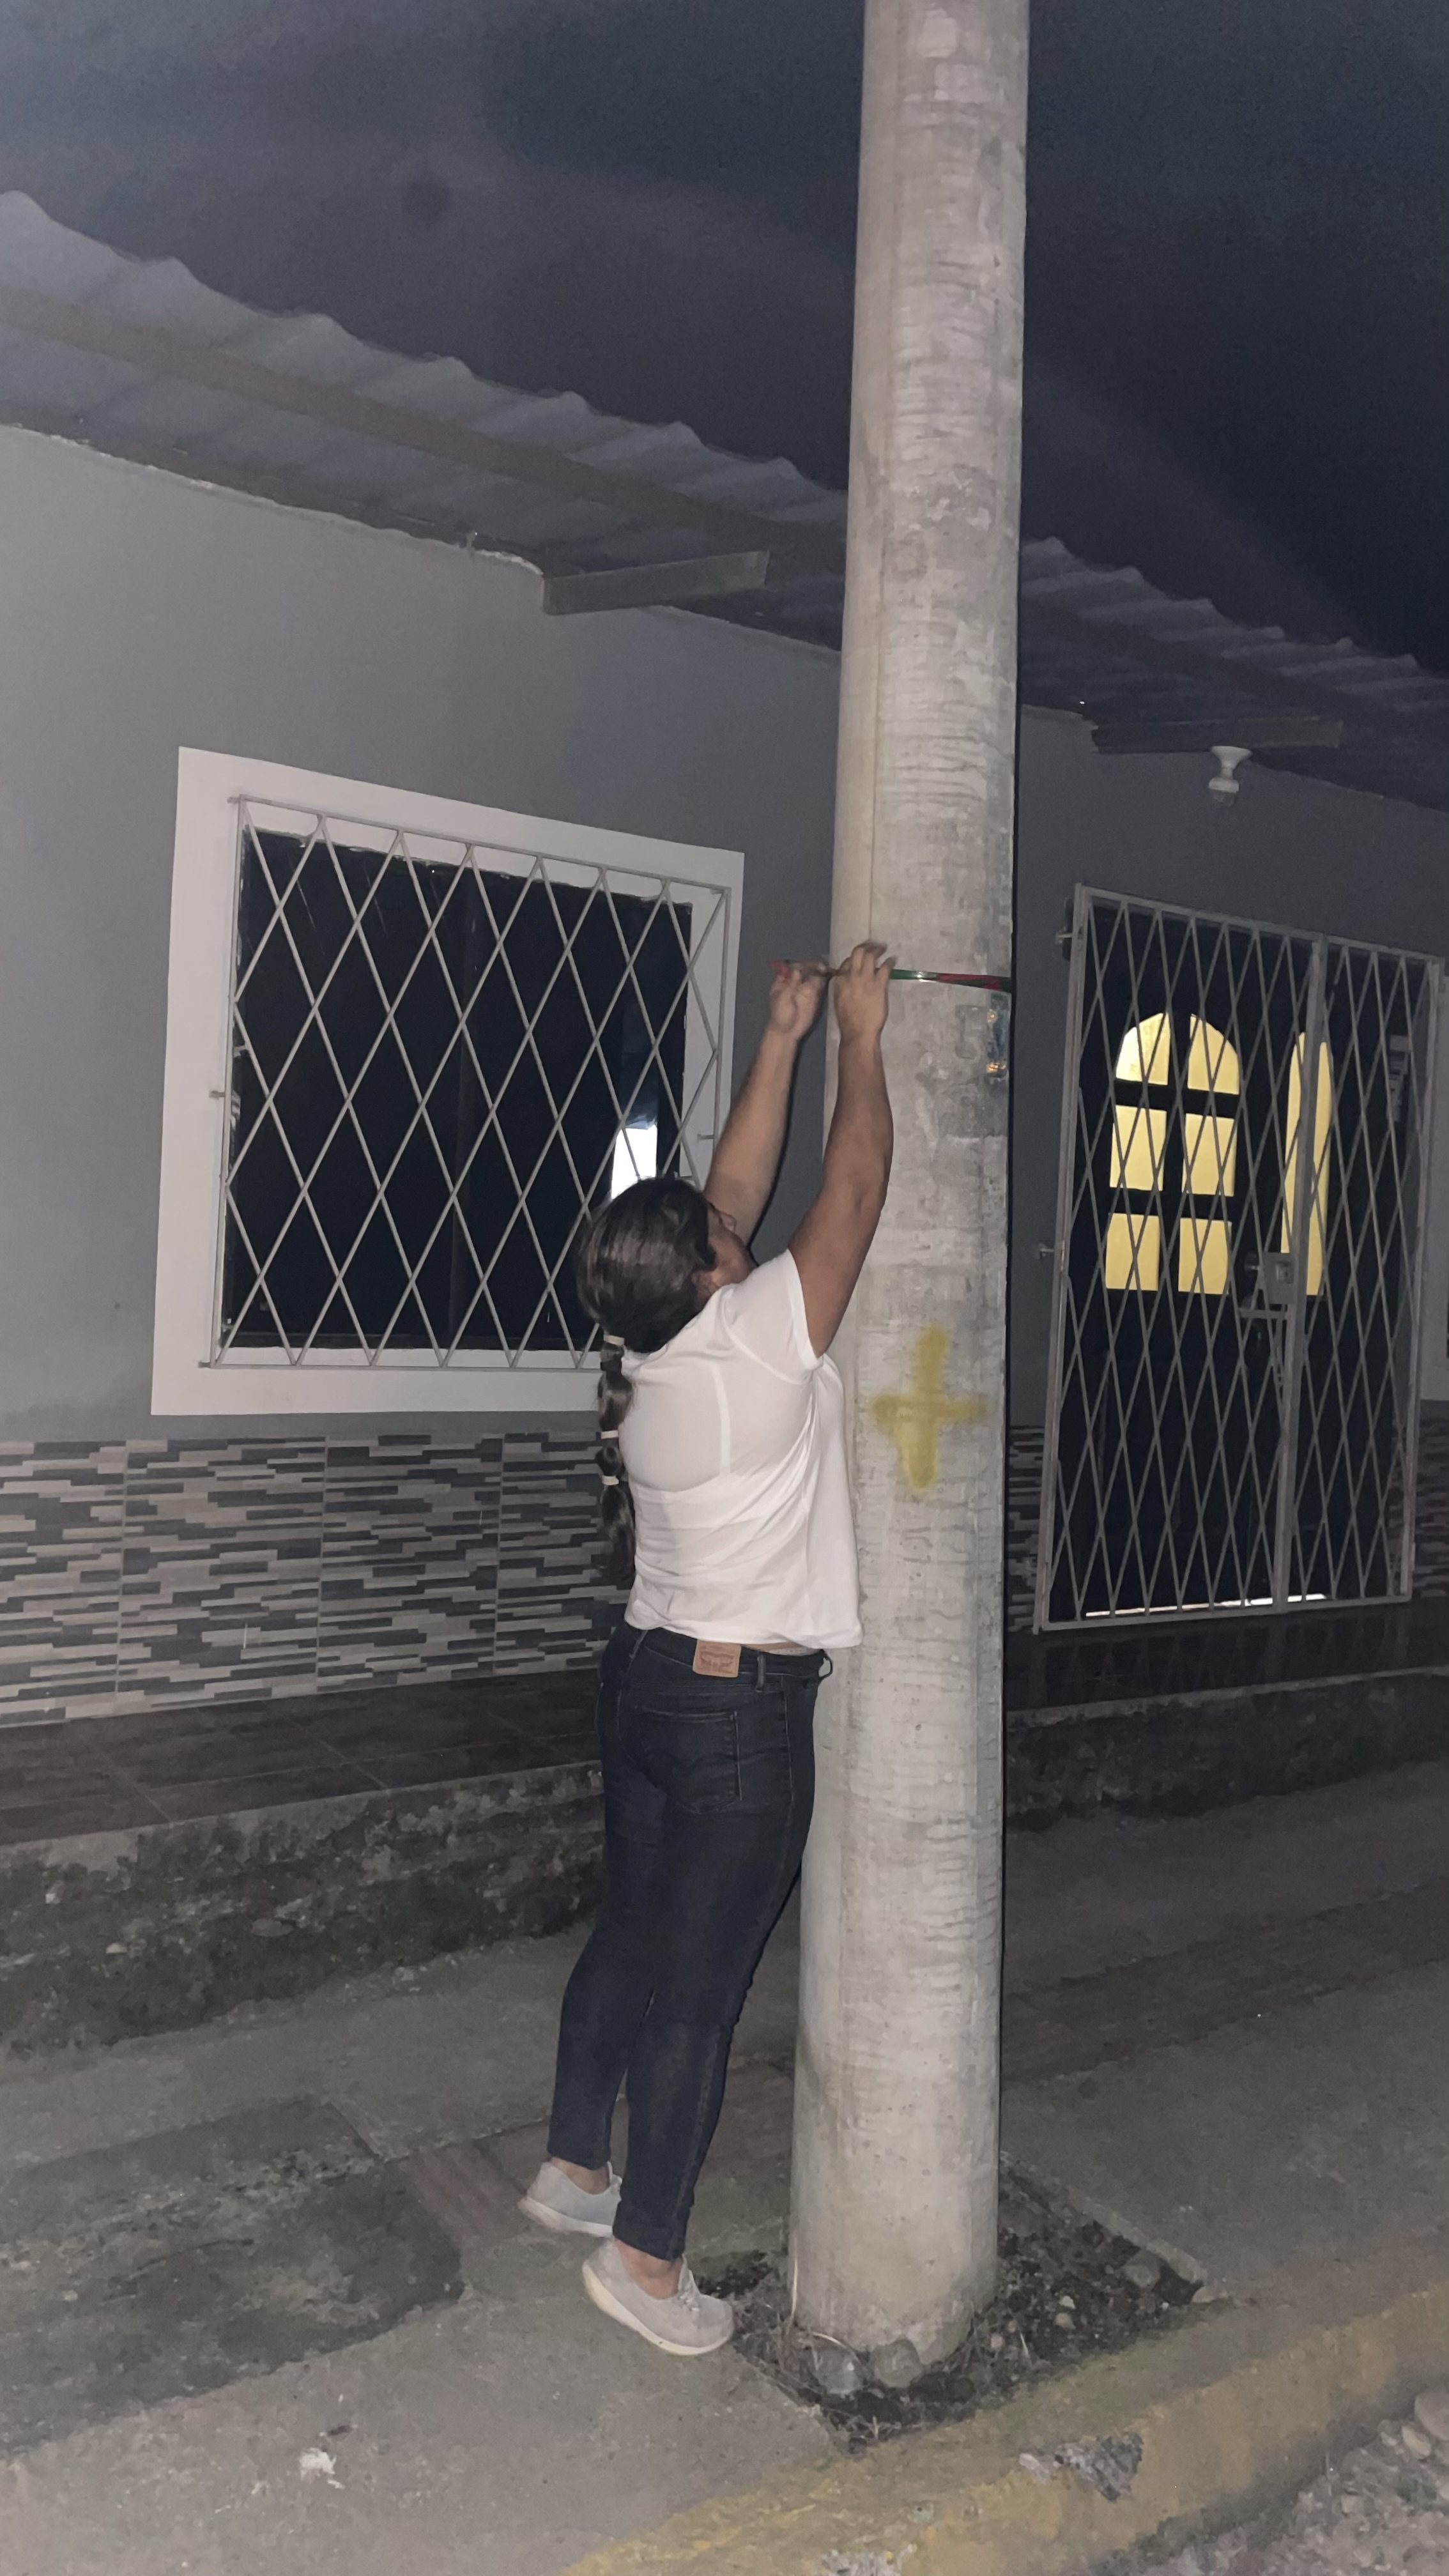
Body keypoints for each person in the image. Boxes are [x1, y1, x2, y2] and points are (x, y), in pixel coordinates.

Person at [519, 942, 894, 2355]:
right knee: (699, 1986)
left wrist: (778, 1037)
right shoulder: (751, 1345)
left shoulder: (653, 1349)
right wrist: (859, 1041)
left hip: (645, 1682)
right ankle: (646, 2262)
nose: (738, 1230)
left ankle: (574, 2167)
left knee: (634, 1927)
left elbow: (725, 1201)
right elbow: (851, 1191)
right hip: (735, 1711)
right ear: (708, 1277)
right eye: (722, 1238)